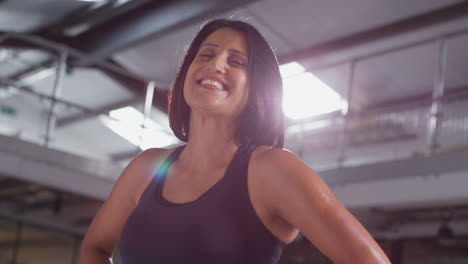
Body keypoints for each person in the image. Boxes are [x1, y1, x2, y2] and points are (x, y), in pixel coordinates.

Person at [80, 19, 391, 264]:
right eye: (206, 54)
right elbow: (94, 247)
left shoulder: (273, 170)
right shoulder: (146, 168)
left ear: (257, 88)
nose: (215, 65)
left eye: (237, 61)